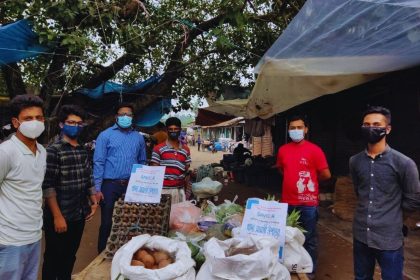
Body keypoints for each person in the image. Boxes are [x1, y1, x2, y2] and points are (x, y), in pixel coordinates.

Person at [349, 106, 420, 280]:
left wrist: (393, 216)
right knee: (361, 277)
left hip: (389, 239)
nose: (370, 128)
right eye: (366, 124)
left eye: (376, 124)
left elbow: (413, 199)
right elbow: (360, 191)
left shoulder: (404, 163)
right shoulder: (355, 161)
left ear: (387, 129)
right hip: (361, 235)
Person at [42, 105, 99, 280]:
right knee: (53, 257)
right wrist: (57, 216)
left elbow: (87, 176)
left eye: (79, 123)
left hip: (78, 213)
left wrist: (93, 199)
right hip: (58, 214)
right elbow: (48, 185)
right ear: (61, 124)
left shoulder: (82, 149)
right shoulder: (54, 150)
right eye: (71, 122)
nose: (75, 126)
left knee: (70, 255)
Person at [276, 115, 331, 278]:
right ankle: (290, 266)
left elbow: (326, 174)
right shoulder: (283, 150)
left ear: (306, 130)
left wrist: (312, 181)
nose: (296, 131)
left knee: (309, 237)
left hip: (308, 203)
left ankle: (309, 270)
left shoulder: (315, 150)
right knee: (288, 237)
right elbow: (281, 169)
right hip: (287, 202)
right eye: (292, 128)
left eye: (299, 127)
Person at [0, 94, 46, 279]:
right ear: (16, 122)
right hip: (10, 238)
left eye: (39, 118)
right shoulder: (6, 152)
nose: (35, 122)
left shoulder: (42, 151)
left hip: (34, 234)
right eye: (28, 118)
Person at [94, 103, 147, 253]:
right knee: (107, 221)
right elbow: (99, 162)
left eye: (128, 115)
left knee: (130, 219)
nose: (125, 117)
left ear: (132, 117)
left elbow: (142, 162)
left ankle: (126, 251)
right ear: (116, 117)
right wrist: (97, 188)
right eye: (122, 114)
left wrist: (142, 184)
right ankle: (102, 253)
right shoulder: (105, 135)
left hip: (132, 184)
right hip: (110, 185)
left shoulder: (138, 138)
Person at [151, 117, 191, 204]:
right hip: (163, 191)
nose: (173, 131)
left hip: (179, 190)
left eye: (176, 129)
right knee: (164, 216)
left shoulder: (186, 150)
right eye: (171, 129)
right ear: (166, 130)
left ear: (180, 130)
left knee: (178, 217)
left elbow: (186, 168)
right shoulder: (158, 149)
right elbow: (155, 170)